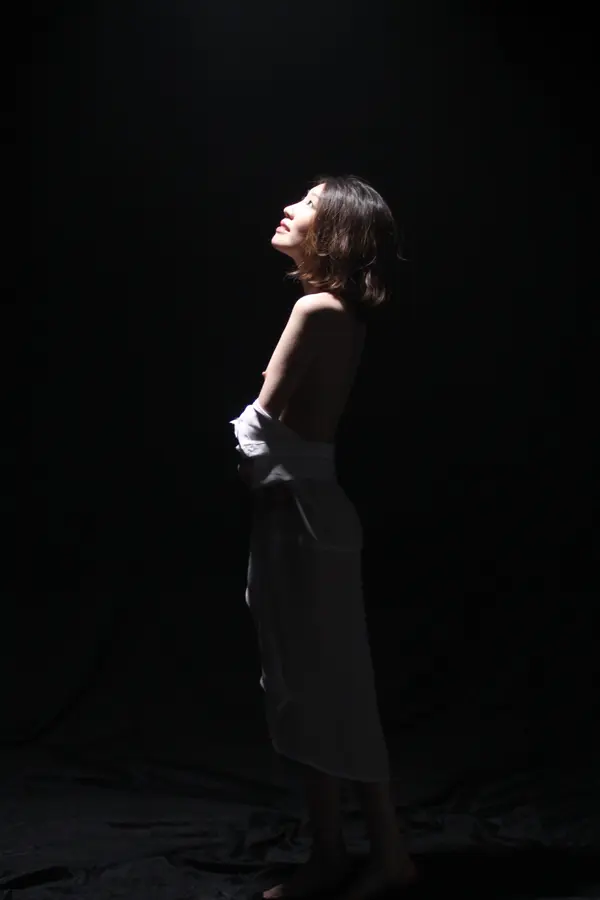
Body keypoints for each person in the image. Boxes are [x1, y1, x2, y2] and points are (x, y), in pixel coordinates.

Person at [232, 175, 417, 900]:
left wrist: (249, 456)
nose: (289, 208)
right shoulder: (343, 315)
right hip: (312, 514)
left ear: (334, 229)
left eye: (307, 203)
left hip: (300, 520)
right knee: (321, 687)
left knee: (319, 688)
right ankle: (341, 853)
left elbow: (256, 430)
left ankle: (372, 856)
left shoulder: (314, 308)